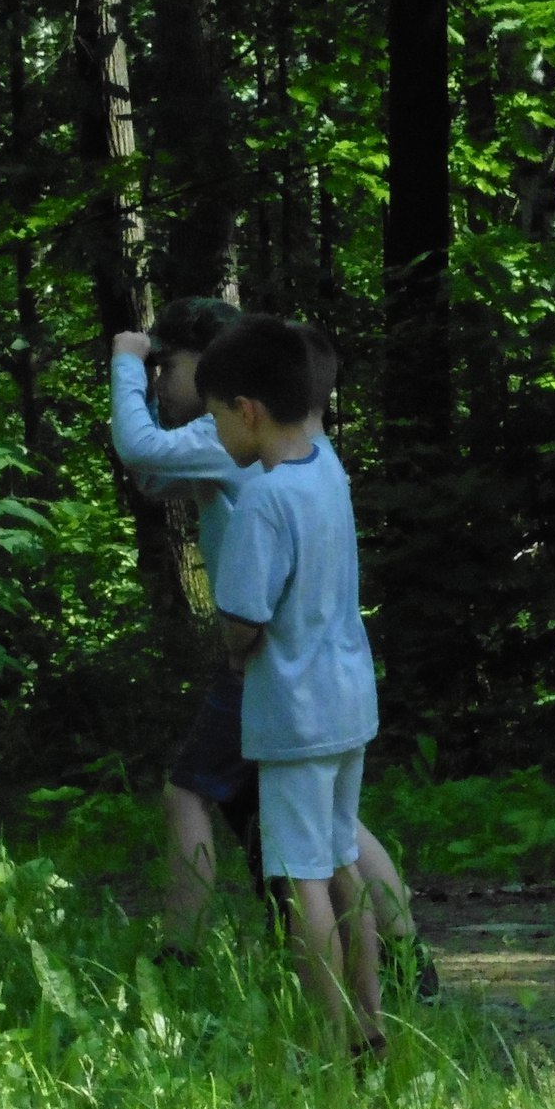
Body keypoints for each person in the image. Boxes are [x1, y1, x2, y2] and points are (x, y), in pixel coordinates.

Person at [109, 305, 437, 996]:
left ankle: (200, 963)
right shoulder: (316, 458)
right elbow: (155, 477)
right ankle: (390, 984)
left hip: (280, 673)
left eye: (171, 367)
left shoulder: (236, 447)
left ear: (239, 400)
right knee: (334, 836)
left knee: (263, 841)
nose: (166, 382)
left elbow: (141, 453)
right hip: (337, 676)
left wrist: (126, 364)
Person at [193, 313, 387, 1062]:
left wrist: (235, 650)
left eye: (215, 416)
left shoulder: (265, 500)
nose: (214, 432)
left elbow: (243, 617)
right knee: (340, 859)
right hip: (348, 699)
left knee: (299, 874)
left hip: (295, 711)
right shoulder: (328, 467)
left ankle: (331, 1036)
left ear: (246, 411)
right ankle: (370, 1023)